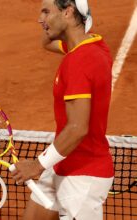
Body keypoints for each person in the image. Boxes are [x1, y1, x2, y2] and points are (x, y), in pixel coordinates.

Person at [10, 0, 114, 219]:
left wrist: (37, 166)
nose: (40, 19)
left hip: (82, 179)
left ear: (68, 11)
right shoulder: (94, 45)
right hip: (62, 162)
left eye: (47, 11)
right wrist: (56, 23)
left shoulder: (80, 61)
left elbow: (77, 128)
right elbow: (46, 43)